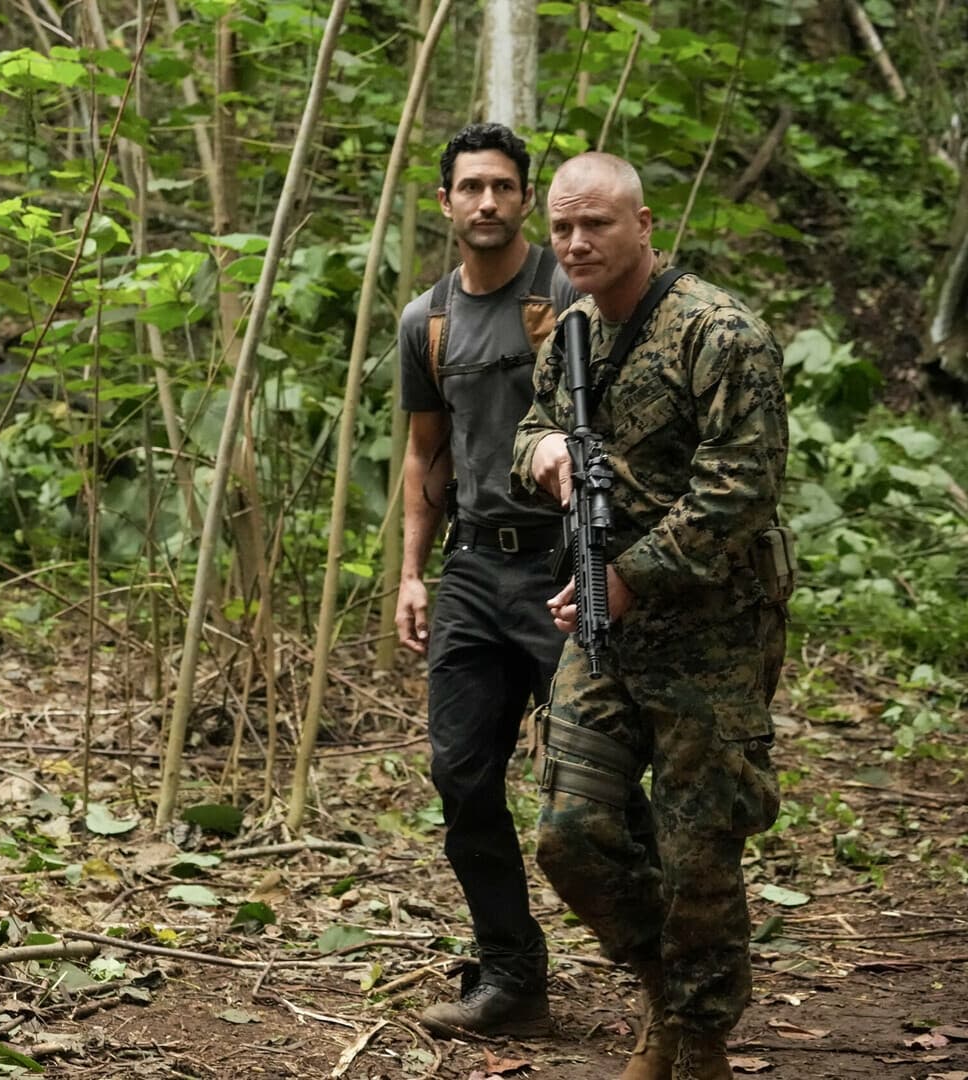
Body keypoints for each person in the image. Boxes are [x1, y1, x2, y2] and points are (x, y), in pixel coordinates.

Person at [513, 152, 789, 1080]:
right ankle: (663, 995)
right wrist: (543, 451)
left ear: (643, 225)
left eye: (595, 224)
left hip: (714, 625)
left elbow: (742, 484)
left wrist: (635, 572)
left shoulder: (718, 332)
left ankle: (699, 1039)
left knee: (697, 844)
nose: (576, 243)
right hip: (604, 617)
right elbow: (529, 427)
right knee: (571, 833)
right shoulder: (571, 335)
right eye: (562, 228)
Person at [395, 122, 580, 1041]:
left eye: (503, 186)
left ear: (524, 198)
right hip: (472, 567)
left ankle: (665, 971)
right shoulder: (426, 321)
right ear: (445, 202)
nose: (487, 202)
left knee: (592, 789)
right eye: (471, 187)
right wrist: (411, 573)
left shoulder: (568, 292)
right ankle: (511, 974)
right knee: (461, 775)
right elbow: (424, 453)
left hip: (566, 564)